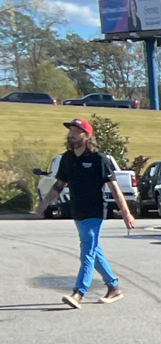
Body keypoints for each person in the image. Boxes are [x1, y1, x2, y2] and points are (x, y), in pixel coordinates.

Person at [34, 118, 134, 309]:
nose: (71, 134)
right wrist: (44, 204)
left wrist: (126, 213)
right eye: (70, 130)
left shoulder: (99, 160)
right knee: (94, 250)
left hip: (95, 212)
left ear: (87, 136)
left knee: (87, 252)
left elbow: (114, 189)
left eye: (76, 131)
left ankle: (79, 292)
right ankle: (114, 287)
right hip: (77, 212)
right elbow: (59, 185)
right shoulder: (67, 158)